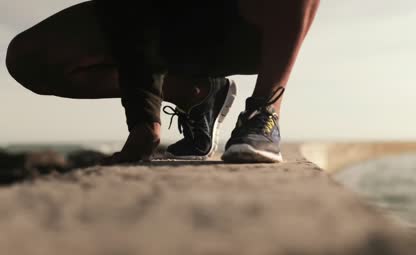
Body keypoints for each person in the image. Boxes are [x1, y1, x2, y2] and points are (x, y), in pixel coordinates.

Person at [5, 0, 320, 164]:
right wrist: (144, 117)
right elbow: (128, 12)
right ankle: (196, 94)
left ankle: (264, 110)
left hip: (246, 24)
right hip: (163, 23)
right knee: (29, 57)